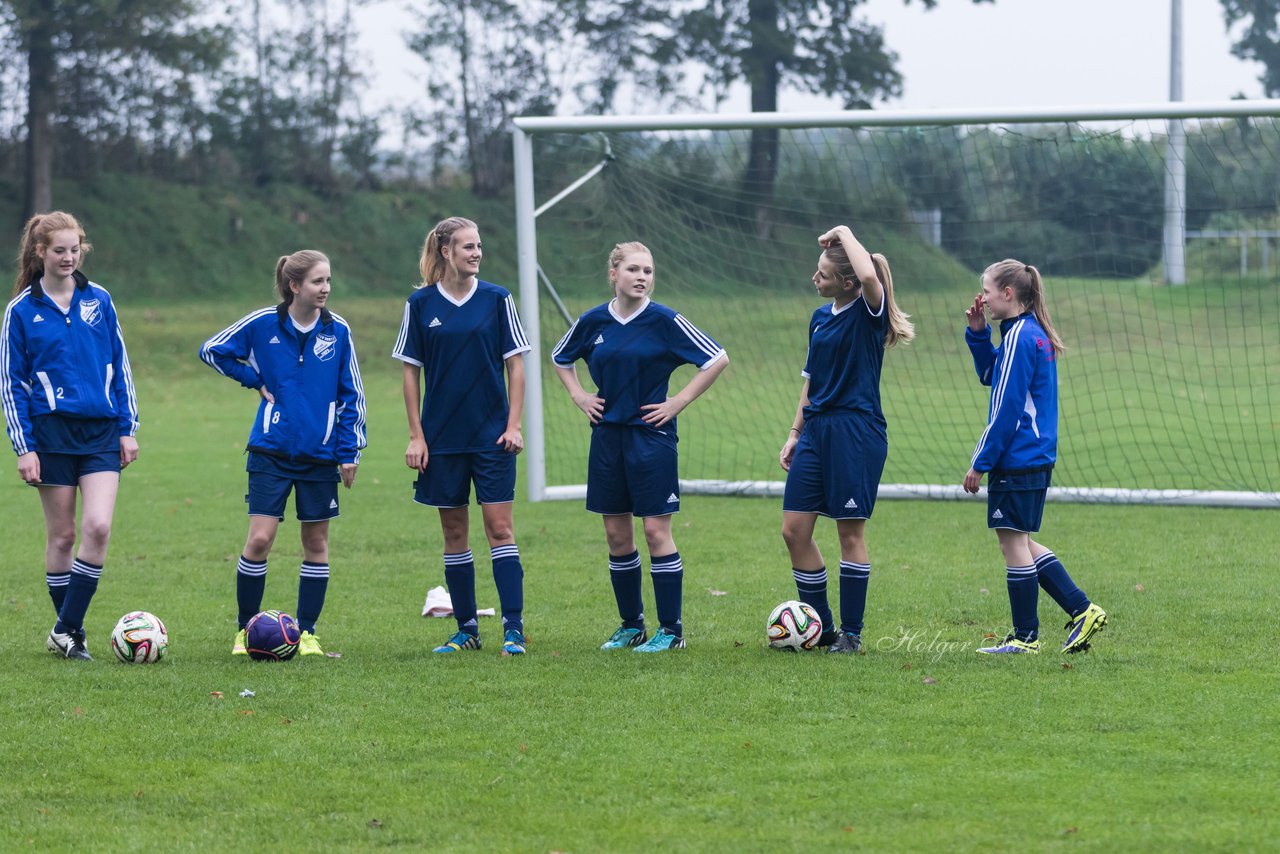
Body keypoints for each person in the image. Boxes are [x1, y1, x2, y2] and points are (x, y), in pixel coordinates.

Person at [552, 241, 728, 653]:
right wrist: (580, 396)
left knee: (654, 530)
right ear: (613, 274)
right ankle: (631, 626)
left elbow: (716, 358)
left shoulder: (665, 320)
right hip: (607, 437)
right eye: (633, 269)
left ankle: (672, 631)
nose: (642, 277)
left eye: (648, 271)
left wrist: (678, 401)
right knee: (617, 534)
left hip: (652, 438)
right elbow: (561, 358)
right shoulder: (593, 321)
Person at [199, 249, 366, 658]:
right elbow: (212, 350)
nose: (326, 289)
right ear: (295, 286)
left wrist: (349, 451)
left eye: (328, 281)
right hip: (270, 451)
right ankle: (245, 631)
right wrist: (253, 378)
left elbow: (352, 395)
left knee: (316, 542)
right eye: (317, 281)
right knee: (260, 539)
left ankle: (306, 633)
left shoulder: (338, 331)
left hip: (321, 455)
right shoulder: (262, 324)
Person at [2, 212, 139, 661]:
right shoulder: (21, 310)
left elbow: (120, 365)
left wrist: (128, 427)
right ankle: (73, 636)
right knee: (62, 536)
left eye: (74, 249)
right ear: (40, 252)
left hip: (100, 433)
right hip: (51, 436)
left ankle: (63, 629)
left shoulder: (99, 299)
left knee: (98, 527)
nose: (68, 257)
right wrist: (25, 448)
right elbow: (11, 383)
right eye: (59, 250)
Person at [392, 217, 531, 656]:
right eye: (468, 246)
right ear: (446, 251)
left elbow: (517, 365)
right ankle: (467, 629)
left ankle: (513, 629)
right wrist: (417, 436)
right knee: (454, 533)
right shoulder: (419, 305)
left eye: (479, 245)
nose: (476, 253)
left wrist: (513, 425)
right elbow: (410, 374)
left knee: (500, 529)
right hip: (443, 440)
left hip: (492, 437)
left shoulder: (497, 299)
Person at [778, 225, 914, 655]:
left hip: (856, 432)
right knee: (793, 531)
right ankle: (820, 628)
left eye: (822, 274)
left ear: (848, 283)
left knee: (849, 535)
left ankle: (851, 635)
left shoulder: (868, 310)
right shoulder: (819, 318)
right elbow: (811, 380)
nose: (814, 279)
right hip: (816, 432)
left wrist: (843, 232)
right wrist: (795, 432)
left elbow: (872, 278)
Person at [963, 259, 1107, 654]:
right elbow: (994, 375)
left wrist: (980, 461)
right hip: (1034, 455)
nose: (984, 301)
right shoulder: (1027, 333)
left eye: (988, 293)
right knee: (1020, 541)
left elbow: (1006, 410)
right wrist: (978, 335)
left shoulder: (1019, 338)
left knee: (1012, 543)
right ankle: (1084, 610)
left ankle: (1026, 638)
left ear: (1008, 294)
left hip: (1019, 456)